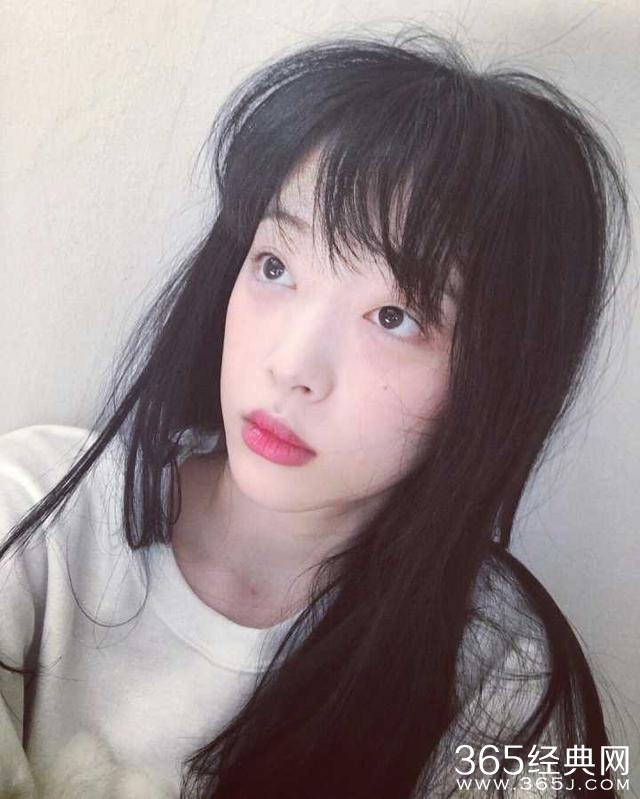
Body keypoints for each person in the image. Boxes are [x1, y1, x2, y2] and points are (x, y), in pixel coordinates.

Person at [0, 31, 631, 799]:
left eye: (394, 316)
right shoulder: (38, 512)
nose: (291, 366)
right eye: (276, 266)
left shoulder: (508, 681)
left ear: (492, 376)